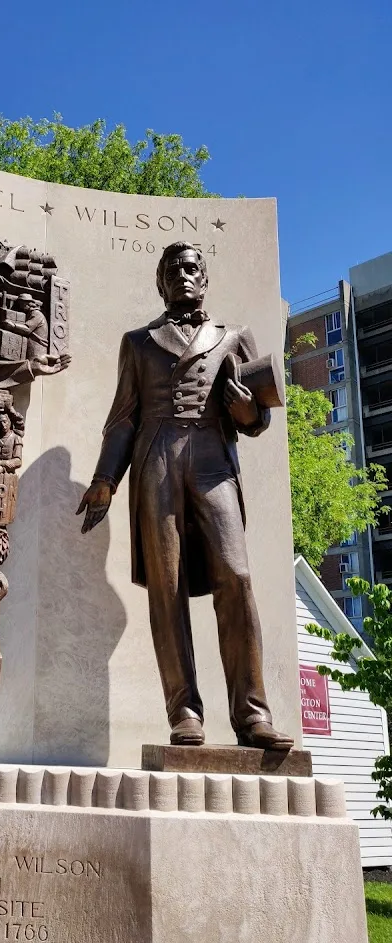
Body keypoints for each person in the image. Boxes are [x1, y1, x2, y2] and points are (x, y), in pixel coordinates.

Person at [77, 241, 293, 751]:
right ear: (161, 282)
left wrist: (245, 413)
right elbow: (123, 417)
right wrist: (106, 478)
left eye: (191, 266)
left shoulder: (233, 336)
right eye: (172, 269)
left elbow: (257, 418)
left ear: (205, 277)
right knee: (166, 588)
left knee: (236, 577)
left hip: (214, 458)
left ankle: (253, 714)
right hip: (156, 458)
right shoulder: (138, 342)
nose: (183, 274)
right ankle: (185, 712)